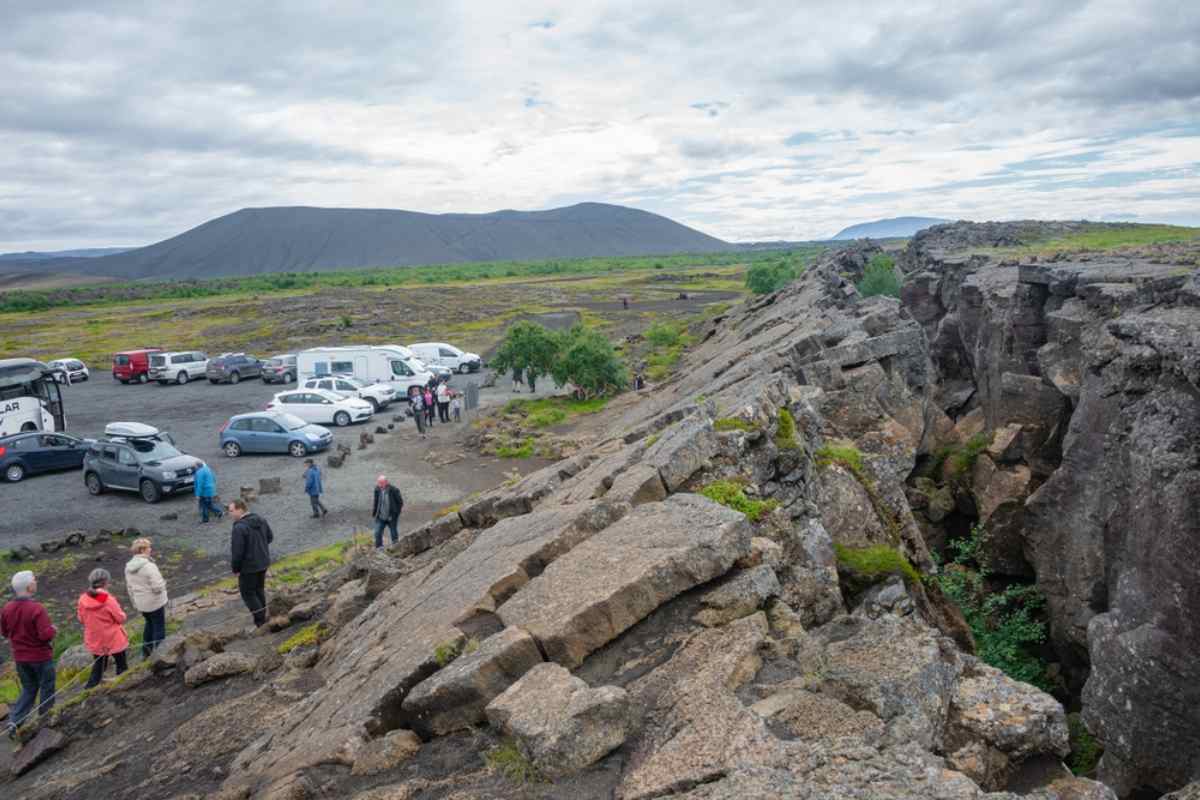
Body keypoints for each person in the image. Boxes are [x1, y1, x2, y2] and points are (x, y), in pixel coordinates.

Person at [1, 571, 56, 738]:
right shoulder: (36, 608)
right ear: (29, 586)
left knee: (29, 688)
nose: (36, 582)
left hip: (20, 658)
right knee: (47, 688)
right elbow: (45, 635)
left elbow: (4, 632)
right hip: (40, 656)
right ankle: (45, 720)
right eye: (34, 580)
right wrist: (53, 630)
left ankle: (15, 721)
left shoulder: (7, 608)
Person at [77, 568, 129, 689]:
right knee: (122, 664)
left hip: (95, 638)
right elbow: (120, 618)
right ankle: (123, 686)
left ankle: (89, 689)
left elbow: (81, 619)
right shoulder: (107, 600)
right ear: (106, 582)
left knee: (99, 665)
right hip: (113, 637)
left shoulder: (83, 598)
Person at [228, 499, 273, 627]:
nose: (230, 514)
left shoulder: (239, 527)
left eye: (231, 511)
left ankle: (261, 622)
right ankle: (263, 618)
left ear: (240, 509)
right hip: (263, 562)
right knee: (259, 590)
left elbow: (237, 552)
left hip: (248, 567)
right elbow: (270, 537)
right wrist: (259, 548)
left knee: (248, 593)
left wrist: (235, 569)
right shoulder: (261, 520)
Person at [124, 538, 168, 658]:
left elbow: (130, 588)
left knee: (149, 625)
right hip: (155, 602)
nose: (150, 549)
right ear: (142, 550)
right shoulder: (149, 566)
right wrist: (164, 583)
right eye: (149, 547)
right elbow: (158, 587)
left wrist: (134, 602)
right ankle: (160, 655)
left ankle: (146, 653)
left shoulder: (128, 567)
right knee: (159, 627)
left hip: (141, 604)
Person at [371, 474, 403, 548]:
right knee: (377, 532)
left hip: (391, 517)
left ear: (386, 482)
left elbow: (400, 502)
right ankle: (379, 548)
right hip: (380, 516)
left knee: (393, 532)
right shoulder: (377, 490)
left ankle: (396, 547)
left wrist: (396, 514)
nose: (379, 484)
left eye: (381, 483)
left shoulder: (394, 490)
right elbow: (376, 502)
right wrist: (375, 513)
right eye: (378, 483)